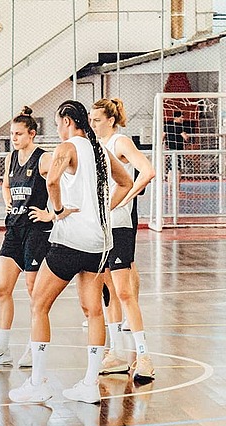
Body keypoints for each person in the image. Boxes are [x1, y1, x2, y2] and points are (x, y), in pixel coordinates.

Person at [8, 100, 133, 405]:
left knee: (38, 304)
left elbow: (51, 181)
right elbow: (126, 182)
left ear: (66, 121)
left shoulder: (68, 147)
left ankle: (38, 382)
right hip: (100, 242)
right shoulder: (100, 149)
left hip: (72, 241)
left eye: (58, 122)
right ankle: (90, 384)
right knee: (93, 311)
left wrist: (60, 210)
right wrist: (102, 209)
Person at [0, 107, 52, 369]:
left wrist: (52, 213)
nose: (14, 138)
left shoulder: (44, 159)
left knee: (34, 293)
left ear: (32, 134)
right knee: (1, 289)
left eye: (19, 134)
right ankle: (1, 349)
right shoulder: (11, 158)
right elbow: (6, 185)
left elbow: (65, 183)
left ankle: (33, 347)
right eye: (11, 134)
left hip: (36, 231)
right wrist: (8, 203)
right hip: (14, 229)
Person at [89, 97, 157, 382]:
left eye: (97, 119)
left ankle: (143, 357)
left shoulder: (120, 142)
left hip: (119, 225)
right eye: (90, 119)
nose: (92, 124)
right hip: (100, 226)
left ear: (111, 120)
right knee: (107, 292)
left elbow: (148, 171)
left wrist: (125, 199)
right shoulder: (94, 146)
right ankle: (116, 353)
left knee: (124, 292)